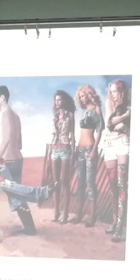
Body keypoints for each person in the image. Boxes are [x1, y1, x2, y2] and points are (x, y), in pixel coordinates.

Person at [0, 85, 37, 235]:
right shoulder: (16, 116)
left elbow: (5, 140)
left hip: (7, 163)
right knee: (18, 195)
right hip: (17, 161)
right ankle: (30, 227)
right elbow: (19, 144)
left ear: (2, 97)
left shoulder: (3, 115)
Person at [101, 80, 131, 242]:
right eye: (111, 91)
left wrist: (124, 126)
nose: (113, 94)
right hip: (109, 144)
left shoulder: (129, 104)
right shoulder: (110, 103)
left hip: (123, 143)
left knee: (122, 185)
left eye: (115, 91)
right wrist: (126, 116)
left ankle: (120, 226)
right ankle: (114, 220)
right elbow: (109, 123)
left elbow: (127, 130)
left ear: (122, 92)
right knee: (113, 187)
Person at [70, 84, 103, 227]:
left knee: (90, 182)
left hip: (90, 148)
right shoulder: (83, 111)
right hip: (80, 150)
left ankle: (92, 215)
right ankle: (79, 214)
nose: (82, 99)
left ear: (89, 94)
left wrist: (94, 150)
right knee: (80, 183)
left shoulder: (96, 109)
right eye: (80, 97)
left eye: (83, 95)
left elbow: (99, 131)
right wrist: (77, 149)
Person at [48, 90, 76, 224]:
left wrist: (73, 152)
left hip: (65, 148)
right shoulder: (54, 115)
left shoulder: (70, 115)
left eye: (59, 100)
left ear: (64, 101)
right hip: (55, 148)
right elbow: (53, 134)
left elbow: (73, 134)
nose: (57, 102)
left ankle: (65, 214)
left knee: (64, 181)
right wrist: (50, 150)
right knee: (56, 182)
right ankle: (56, 212)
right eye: (56, 100)